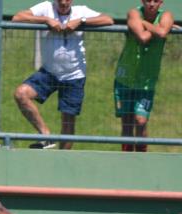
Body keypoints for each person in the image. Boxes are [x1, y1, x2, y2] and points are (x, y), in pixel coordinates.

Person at [12, 0, 114, 149]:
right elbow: (17, 17)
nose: (63, 3)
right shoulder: (45, 7)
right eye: (60, 0)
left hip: (74, 74)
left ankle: (62, 157)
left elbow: (108, 19)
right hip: (49, 72)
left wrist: (81, 21)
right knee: (21, 94)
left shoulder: (81, 11)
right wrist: (46, 20)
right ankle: (45, 136)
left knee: (68, 121)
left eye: (67, 0)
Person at [114, 0, 175, 152]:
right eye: (148, 0)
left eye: (156, 1)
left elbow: (161, 33)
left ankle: (141, 160)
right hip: (125, 78)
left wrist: (144, 24)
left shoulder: (166, 15)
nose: (151, 4)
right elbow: (143, 37)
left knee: (141, 121)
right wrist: (157, 28)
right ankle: (126, 162)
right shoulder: (134, 13)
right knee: (127, 123)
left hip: (147, 81)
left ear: (161, 2)